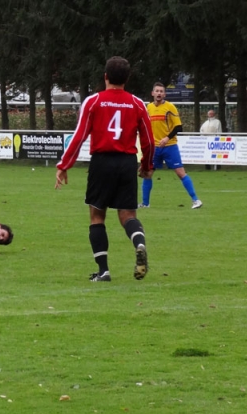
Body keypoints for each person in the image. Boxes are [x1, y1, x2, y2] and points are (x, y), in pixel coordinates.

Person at [55, 56, 155, 282]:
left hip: (101, 162)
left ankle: (104, 271)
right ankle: (139, 244)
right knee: (128, 215)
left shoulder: (94, 101)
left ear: (106, 76)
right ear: (127, 78)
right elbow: (149, 140)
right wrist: (147, 166)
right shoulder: (137, 104)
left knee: (97, 216)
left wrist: (64, 165)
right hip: (127, 162)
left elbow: (79, 136)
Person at [141, 83, 203, 209]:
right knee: (147, 174)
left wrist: (167, 138)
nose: (159, 93)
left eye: (161, 91)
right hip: (154, 147)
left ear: (164, 94)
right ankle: (145, 204)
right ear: (152, 93)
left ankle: (196, 200)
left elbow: (178, 127)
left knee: (180, 173)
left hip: (170, 146)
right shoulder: (148, 108)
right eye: (157, 91)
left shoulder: (170, 107)